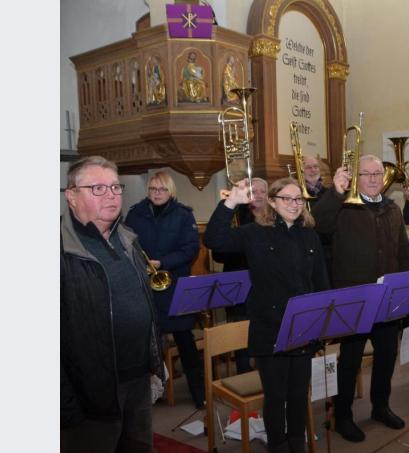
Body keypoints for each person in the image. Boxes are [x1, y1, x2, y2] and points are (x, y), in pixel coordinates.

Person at [205, 177, 329, 453]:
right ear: (272, 202)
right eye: (287, 198)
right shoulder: (254, 233)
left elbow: (320, 281)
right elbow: (215, 240)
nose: (295, 204)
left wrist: (321, 325)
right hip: (269, 328)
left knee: (298, 395)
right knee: (275, 396)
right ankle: (278, 445)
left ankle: (297, 443)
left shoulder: (310, 235)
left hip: (303, 327)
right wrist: (230, 203)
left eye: (299, 199)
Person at [61, 156, 164, 453]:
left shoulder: (129, 238)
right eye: (97, 188)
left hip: (138, 380)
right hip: (90, 393)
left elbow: (145, 306)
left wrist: (154, 361)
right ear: (71, 196)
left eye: (116, 187)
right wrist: (65, 406)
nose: (111, 195)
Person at [312, 154, 409, 443]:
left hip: (387, 298)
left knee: (386, 356)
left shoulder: (392, 209)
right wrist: (335, 192)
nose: (372, 178)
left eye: (377, 173)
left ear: (384, 177)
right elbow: (317, 224)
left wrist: (404, 290)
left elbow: (402, 251)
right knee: (350, 360)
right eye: (366, 174)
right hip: (354, 297)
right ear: (357, 177)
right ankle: (342, 415)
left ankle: (380, 406)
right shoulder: (343, 207)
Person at [124, 171, 204, 408]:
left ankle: (199, 393)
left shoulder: (183, 215)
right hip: (146, 288)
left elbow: (191, 249)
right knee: (150, 346)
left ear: (171, 192)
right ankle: (154, 393)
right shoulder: (135, 214)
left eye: (162, 189)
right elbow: (127, 243)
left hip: (174, 288)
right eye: (153, 189)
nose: (157, 194)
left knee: (185, 343)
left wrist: (163, 263)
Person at [209, 177, 270, 374]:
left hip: (265, 290)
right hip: (240, 286)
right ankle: (243, 374)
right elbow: (218, 252)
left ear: (269, 196)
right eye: (254, 191)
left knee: (265, 335)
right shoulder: (237, 217)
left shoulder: (275, 219)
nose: (258, 195)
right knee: (242, 334)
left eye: (262, 191)